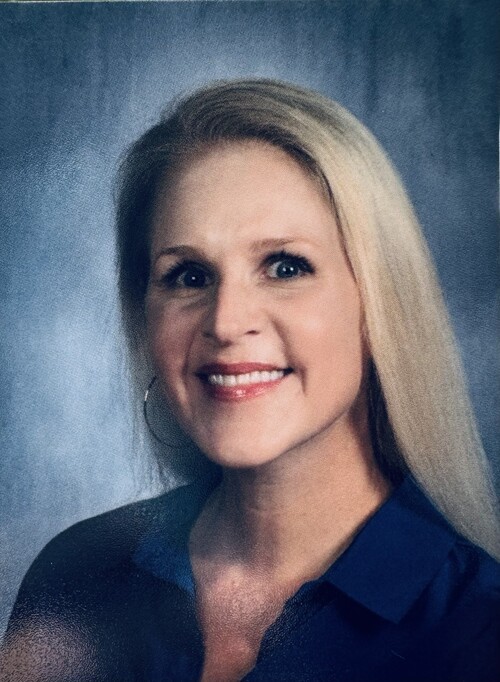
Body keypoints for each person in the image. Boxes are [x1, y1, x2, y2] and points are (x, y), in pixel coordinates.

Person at [1, 79, 499, 682]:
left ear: (380, 304)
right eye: (188, 276)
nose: (226, 322)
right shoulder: (77, 576)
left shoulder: (481, 628)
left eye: (285, 266)